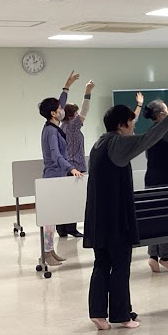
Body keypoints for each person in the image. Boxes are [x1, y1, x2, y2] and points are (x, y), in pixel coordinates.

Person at [84, 93, 168, 331]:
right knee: (121, 264)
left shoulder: (100, 142)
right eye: (131, 122)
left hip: (98, 217)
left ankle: (98, 313)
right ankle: (121, 315)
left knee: (102, 263)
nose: (134, 127)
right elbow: (148, 139)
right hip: (114, 217)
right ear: (121, 125)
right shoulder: (117, 144)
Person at [38, 71, 84, 265]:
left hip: (57, 177)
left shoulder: (53, 126)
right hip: (53, 178)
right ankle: (46, 253)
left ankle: (50, 251)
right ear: (53, 113)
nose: (62, 109)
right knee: (49, 219)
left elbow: (61, 102)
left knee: (54, 216)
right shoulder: (50, 132)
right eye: (59, 108)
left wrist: (67, 85)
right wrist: (71, 168)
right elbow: (56, 156)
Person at [143, 68, 168, 274]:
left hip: (151, 179)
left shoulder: (150, 131)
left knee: (154, 217)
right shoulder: (165, 130)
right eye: (167, 112)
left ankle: (153, 256)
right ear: (161, 116)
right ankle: (166, 258)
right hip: (166, 180)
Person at [57, 79, 103, 238]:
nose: (79, 115)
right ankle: (71, 228)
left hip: (66, 167)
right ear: (71, 115)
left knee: (66, 198)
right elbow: (85, 109)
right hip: (75, 167)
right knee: (74, 199)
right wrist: (88, 91)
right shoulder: (73, 125)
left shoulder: (62, 126)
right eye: (76, 113)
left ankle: (62, 228)